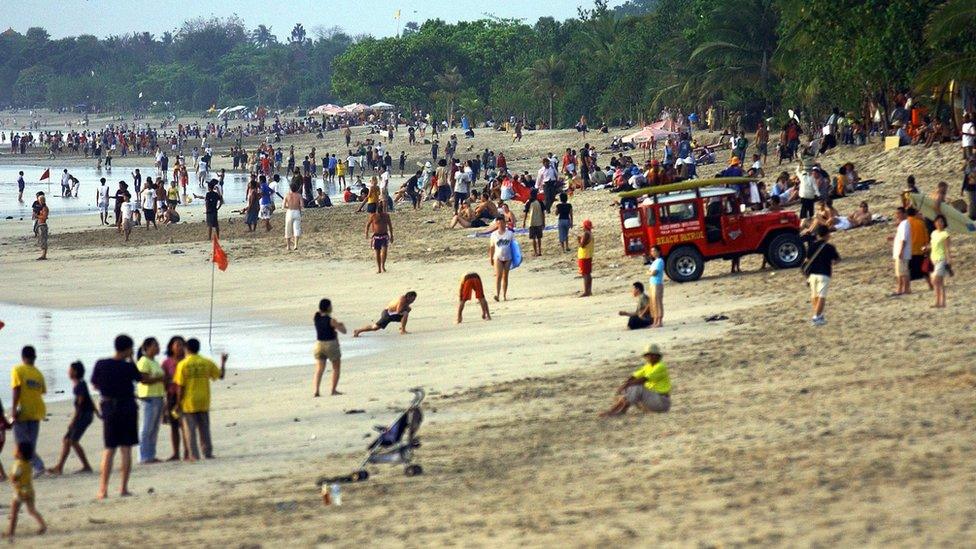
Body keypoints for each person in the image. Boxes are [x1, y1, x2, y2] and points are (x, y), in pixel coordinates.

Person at [91, 334, 163, 499]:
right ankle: (123, 488)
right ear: (129, 349)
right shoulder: (129, 367)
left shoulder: (101, 364)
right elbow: (140, 379)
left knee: (109, 450)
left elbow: (95, 384)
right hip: (127, 407)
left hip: (109, 407)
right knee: (126, 449)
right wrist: (131, 359)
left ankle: (103, 489)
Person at [173, 339, 227, 461]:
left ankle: (194, 454)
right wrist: (223, 362)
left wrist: (178, 403)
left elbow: (180, 387)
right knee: (204, 428)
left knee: (190, 431)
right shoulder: (206, 362)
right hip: (203, 400)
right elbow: (221, 375)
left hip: (189, 401)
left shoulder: (183, 364)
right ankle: (207, 452)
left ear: (186, 349)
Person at [47, 362, 96, 475]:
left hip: (83, 416)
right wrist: (97, 413)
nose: (68, 371)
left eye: (70, 369)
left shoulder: (79, 385)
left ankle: (86, 466)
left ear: (75, 372)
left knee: (73, 441)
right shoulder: (80, 384)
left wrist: (73, 420)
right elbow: (89, 399)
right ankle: (59, 467)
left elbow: (80, 404)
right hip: (85, 414)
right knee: (66, 440)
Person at [599, 344, 671, 417]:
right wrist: (626, 385)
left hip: (661, 402)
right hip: (653, 401)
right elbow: (634, 376)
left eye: (652, 355)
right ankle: (613, 411)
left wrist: (626, 385)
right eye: (647, 355)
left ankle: (620, 411)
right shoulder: (648, 366)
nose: (649, 357)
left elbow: (643, 379)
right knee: (632, 388)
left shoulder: (660, 366)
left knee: (637, 387)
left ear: (657, 356)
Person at [10, 346, 46, 475]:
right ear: (34, 357)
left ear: (22, 357)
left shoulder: (17, 370)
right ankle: (30, 467)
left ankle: (38, 466)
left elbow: (16, 390)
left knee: (22, 443)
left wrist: (13, 409)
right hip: (36, 411)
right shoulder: (38, 374)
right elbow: (42, 391)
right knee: (31, 444)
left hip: (23, 411)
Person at [5, 442, 46, 538]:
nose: (14, 451)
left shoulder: (18, 464)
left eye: (15, 449)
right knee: (31, 510)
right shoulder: (28, 464)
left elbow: (15, 477)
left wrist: (10, 478)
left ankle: (11, 532)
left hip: (19, 492)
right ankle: (42, 525)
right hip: (29, 491)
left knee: (14, 513)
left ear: (19, 453)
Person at [136, 338, 165, 464]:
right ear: (147, 348)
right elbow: (143, 379)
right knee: (146, 428)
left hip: (158, 396)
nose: (158, 347)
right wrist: (159, 378)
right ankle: (144, 456)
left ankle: (151, 454)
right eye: (155, 345)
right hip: (148, 397)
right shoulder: (144, 361)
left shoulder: (154, 362)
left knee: (154, 428)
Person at [804, 225, 841, 326]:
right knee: (822, 296)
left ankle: (818, 315)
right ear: (827, 235)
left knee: (814, 295)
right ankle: (816, 317)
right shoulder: (829, 247)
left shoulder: (811, 246)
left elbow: (807, 261)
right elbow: (836, 259)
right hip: (824, 273)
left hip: (812, 274)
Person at [313, 299, 347, 397]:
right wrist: (341, 325)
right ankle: (333, 390)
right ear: (328, 307)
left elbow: (320, 315)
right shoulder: (331, 320)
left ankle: (316, 390)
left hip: (319, 344)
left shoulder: (316, 318)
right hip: (331, 344)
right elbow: (343, 331)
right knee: (336, 368)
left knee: (319, 369)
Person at [160, 337, 187, 461]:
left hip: (186, 395)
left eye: (181, 345)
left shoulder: (187, 361)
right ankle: (176, 453)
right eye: (177, 345)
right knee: (174, 426)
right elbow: (163, 380)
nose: (179, 347)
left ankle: (187, 451)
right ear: (171, 347)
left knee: (185, 425)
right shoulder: (167, 362)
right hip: (171, 395)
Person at [354, 292, 418, 337]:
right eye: (412, 299)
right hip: (388, 314)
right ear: (408, 297)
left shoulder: (406, 299)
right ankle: (358, 331)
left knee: (408, 309)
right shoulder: (403, 300)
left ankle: (402, 328)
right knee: (375, 327)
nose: (413, 301)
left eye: (414, 299)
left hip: (391, 312)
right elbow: (398, 311)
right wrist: (405, 311)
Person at [926, 215, 951, 308]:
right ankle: (940, 302)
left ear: (944, 223)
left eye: (941, 221)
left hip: (941, 259)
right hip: (933, 259)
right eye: (938, 221)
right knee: (939, 282)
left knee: (935, 280)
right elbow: (932, 245)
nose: (939, 223)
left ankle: (941, 302)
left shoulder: (945, 234)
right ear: (935, 223)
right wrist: (926, 248)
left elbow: (947, 248)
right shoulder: (934, 233)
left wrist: (949, 259)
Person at [489, 220, 514, 301]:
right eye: (499, 223)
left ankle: (504, 295)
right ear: (497, 224)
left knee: (505, 276)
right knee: (498, 276)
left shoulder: (510, 233)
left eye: (502, 223)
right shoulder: (494, 234)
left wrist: (516, 258)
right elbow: (492, 247)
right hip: (498, 257)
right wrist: (491, 258)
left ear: (504, 223)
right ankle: (497, 294)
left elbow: (514, 246)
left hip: (508, 257)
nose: (501, 224)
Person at [890, 207, 912, 296]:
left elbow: (904, 238)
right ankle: (903, 289)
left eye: (899, 213)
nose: (897, 215)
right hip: (900, 251)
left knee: (902, 272)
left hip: (902, 252)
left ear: (904, 214)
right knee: (901, 272)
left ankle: (904, 289)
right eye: (897, 213)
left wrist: (901, 251)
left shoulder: (905, 223)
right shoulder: (902, 224)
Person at [366, 201, 393, 273]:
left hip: (384, 235)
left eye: (380, 209)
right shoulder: (373, 216)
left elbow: (390, 226)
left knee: (384, 252)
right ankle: (379, 268)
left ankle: (383, 266)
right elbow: (368, 225)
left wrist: (392, 235)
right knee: (377, 253)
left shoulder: (386, 216)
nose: (379, 211)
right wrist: (366, 233)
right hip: (376, 236)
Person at [283, 181, 303, 251]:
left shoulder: (287, 195)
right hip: (297, 211)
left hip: (289, 211)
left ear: (290, 188)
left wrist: (289, 205)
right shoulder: (299, 195)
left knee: (288, 229)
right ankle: (295, 245)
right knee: (297, 229)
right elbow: (302, 206)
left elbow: (284, 206)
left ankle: (288, 246)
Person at [648, 245, 665, 327]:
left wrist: (649, 273)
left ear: (659, 251)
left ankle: (659, 321)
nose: (652, 253)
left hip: (657, 283)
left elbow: (654, 273)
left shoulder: (660, 261)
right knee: (653, 302)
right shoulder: (654, 262)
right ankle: (655, 321)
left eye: (654, 251)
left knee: (658, 302)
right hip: (652, 283)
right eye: (652, 251)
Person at [577, 219, 594, 297]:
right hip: (588, 255)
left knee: (585, 274)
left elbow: (582, 245)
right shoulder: (590, 233)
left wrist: (578, 240)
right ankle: (589, 290)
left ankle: (586, 291)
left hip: (584, 256)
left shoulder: (586, 234)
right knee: (588, 274)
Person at [33, 193, 48, 261]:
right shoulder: (40, 208)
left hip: (43, 225)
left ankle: (44, 255)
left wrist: (37, 216)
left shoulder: (44, 208)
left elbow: (45, 217)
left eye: (40, 200)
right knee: (41, 239)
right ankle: (43, 254)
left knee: (43, 239)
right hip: (39, 224)